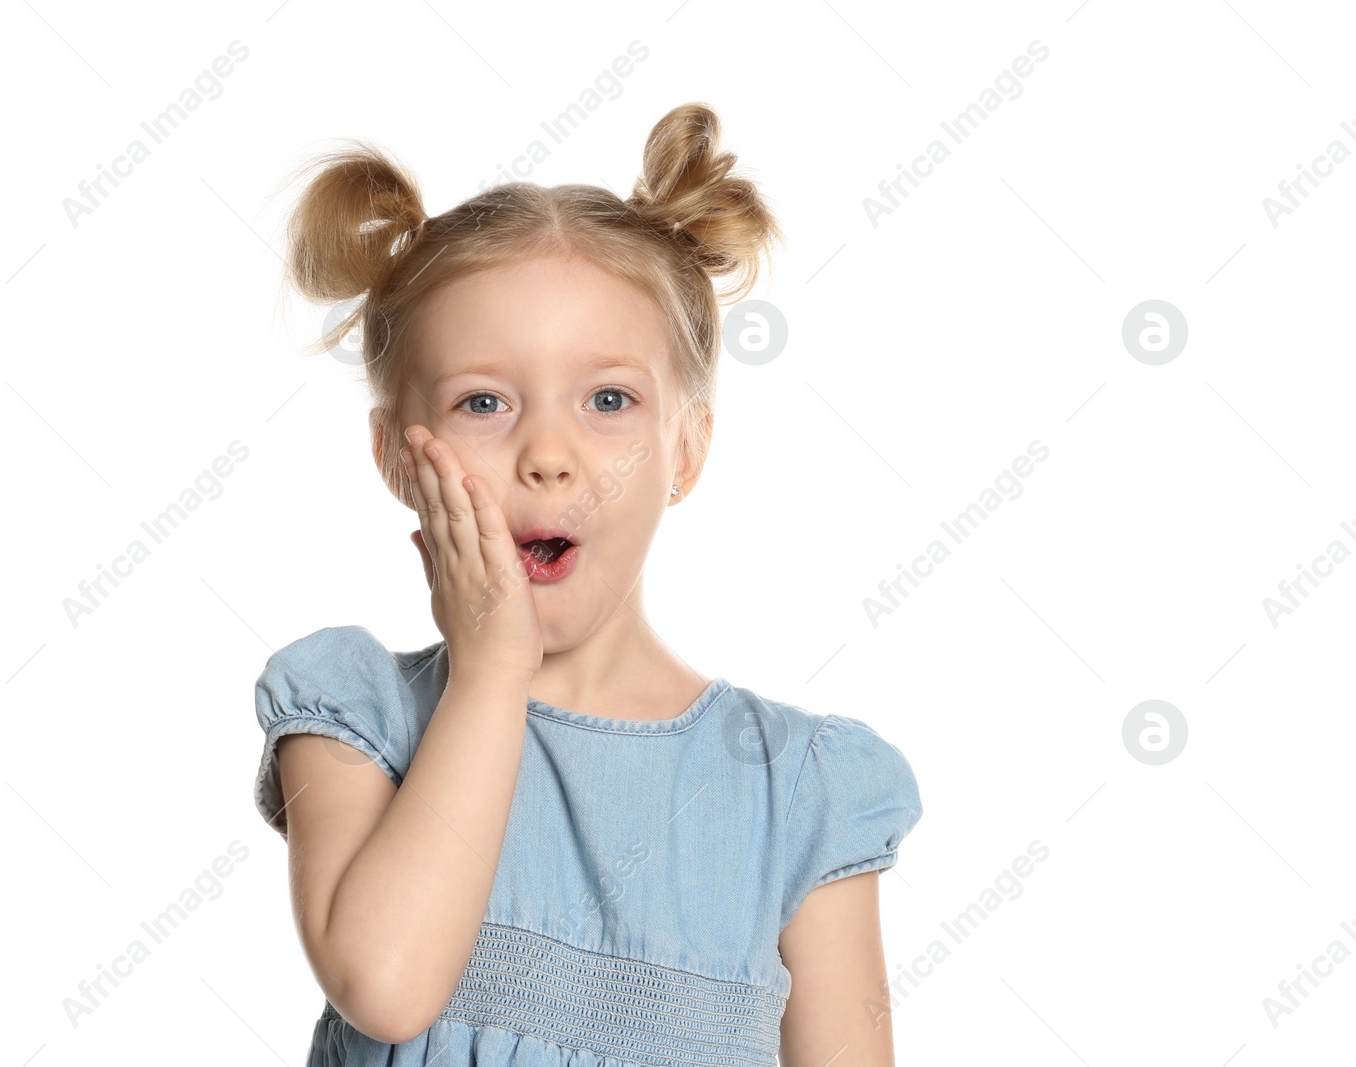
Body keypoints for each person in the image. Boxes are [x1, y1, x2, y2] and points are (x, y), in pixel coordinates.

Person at [251, 102, 923, 1067]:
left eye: (609, 400)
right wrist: (488, 675)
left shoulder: (796, 792)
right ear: (398, 454)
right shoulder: (354, 715)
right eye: (484, 402)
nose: (550, 456)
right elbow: (387, 985)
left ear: (685, 448)